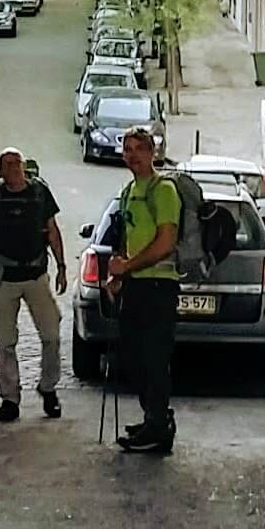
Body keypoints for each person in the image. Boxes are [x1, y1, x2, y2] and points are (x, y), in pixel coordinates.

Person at [0, 149, 67, 423]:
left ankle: (48, 387)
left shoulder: (40, 194)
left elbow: (52, 230)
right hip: (5, 278)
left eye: (17, 163)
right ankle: (9, 398)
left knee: (52, 334)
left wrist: (62, 266)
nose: (14, 169)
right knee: (5, 342)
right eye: (8, 165)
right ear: (1, 171)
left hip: (36, 276)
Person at [107, 129, 181, 454]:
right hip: (136, 285)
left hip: (158, 287)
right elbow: (126, 235)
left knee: (153, 359)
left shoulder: (162, 190)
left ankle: (157, 427)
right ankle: (155, 418)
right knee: (134, 358)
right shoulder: (128, 192)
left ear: (153, 153)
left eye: (139, 149)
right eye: (127, 149)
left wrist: (129, 266)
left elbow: (166, 242)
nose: (132, 155)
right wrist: (119, 273)